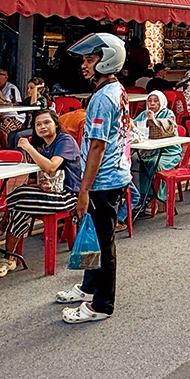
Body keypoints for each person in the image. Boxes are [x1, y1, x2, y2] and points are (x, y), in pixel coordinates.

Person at [55, 33, 131, 324]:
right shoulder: (116, 90)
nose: (84, 65)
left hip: (104, 180)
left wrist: (84, 190)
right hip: (113, 175)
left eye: (90, 59)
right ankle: (89, 288)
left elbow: (97, 145)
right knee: (97, 238)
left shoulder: (102, 97)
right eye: (84, 60)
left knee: (103, 240)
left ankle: (102, 304)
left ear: (107, 60)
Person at [0, 110, 81, 279]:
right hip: (46, 194)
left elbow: (52, 167)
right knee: (21, 203)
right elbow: (32, 181)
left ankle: (3, 232)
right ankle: (9, 255)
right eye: (38, 124)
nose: (42, 127)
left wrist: (29, 148)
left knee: (20, 197)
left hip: (67, 196)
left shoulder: (65, 141)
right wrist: (41, 185)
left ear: (56, 124)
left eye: (46, 123)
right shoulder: (40, 146)